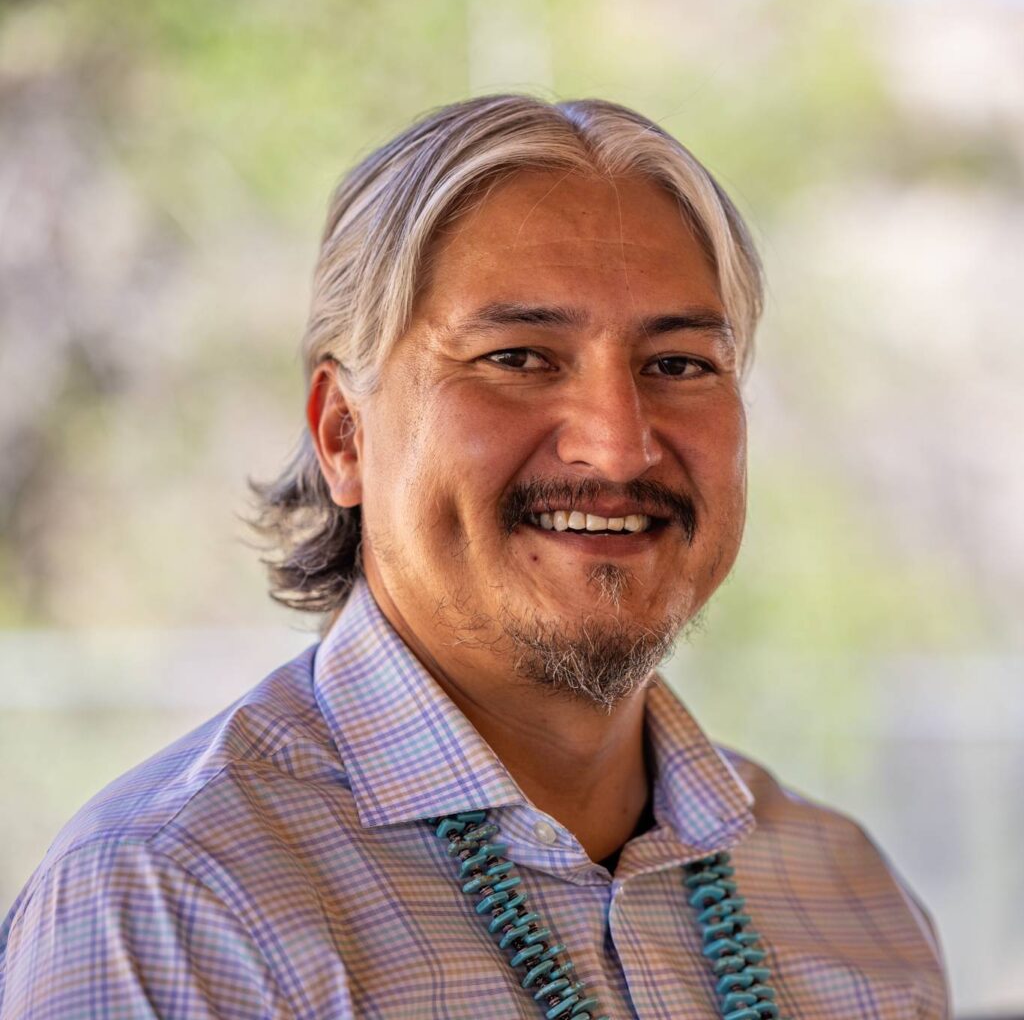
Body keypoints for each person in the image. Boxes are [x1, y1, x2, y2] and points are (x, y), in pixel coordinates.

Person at [0, 96, 948, 1019]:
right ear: (343, 436)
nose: (618, 447)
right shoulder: (173, 902)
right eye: (518, 358)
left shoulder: (852, 905)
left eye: (678, 365)